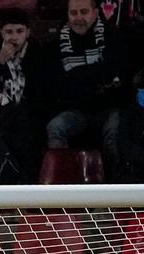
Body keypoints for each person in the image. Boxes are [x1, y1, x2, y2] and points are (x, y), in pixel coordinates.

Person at [46, 0, 125, 157]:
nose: (78, 18)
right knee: (55, 127)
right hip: (75, 110)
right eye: (73, 13)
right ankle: (62, 176)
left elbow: (115, 73)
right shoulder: (55, 46)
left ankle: (116, 178)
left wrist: (77, 77)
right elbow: (57, 84)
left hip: (108, 108)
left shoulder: (113, 38)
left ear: (95, 13)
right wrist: (96, 76)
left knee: (115, 128)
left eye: (84, 12)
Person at [0, 8, 57, 128]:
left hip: (30, 114)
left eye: (19, 31)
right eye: (9, 32)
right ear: (1, 33)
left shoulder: (39, 54)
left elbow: (43, 92)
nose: (14, 37)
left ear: (28, 33)